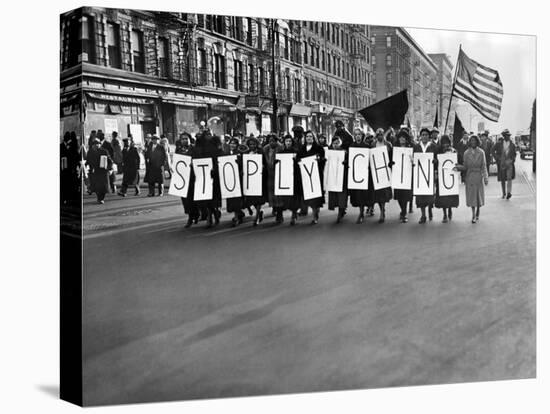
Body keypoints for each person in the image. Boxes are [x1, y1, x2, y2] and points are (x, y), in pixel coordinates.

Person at [455, 135, 489, 223]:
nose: (473, 142)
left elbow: (484, 166)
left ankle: (478, 212)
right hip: (469, 177)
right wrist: (457, 167)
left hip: (478, 176)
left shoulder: (481, 152)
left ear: (477, 142)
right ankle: (473, 215)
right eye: (471, 141)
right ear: (469, 142)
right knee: (472, 197)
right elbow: (465, 166)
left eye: (475, 141)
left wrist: (485, 177)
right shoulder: (466, 153)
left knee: (478, 197)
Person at [193, 130, 223, 227]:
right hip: (203, 175)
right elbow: (196, 158)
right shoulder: (199, 146)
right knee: (206, 199)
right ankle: (209, 217)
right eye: (207, 134)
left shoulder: (217, 144)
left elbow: (221, 158)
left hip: (214, 175)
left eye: (210, 134)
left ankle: (216, 213)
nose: (208, 136)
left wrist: (216, 167)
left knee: (215, 198)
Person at [297, 130, 326, 225]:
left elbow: (323, 160)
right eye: (307, 136)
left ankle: (315, 215)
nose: (309, 138)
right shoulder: (301, 149)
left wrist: (320, 160)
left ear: (314, 138)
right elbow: (298, 160)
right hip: (306, 176)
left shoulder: (319, 148)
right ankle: (313, 211)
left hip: (316, 175)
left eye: (310, 136)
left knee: (316, 196)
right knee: (308, 195)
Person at [413, 127, 438, 223]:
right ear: (420, 136)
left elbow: (437, 159)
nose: (424, 136)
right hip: (419, 175)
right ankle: (423, 215)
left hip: (430, 174)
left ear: (429, 136)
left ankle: (430, 209)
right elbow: (413, 158)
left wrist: (435, 163)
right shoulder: (416, 147)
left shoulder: (434, 147)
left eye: (426, 135)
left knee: (429, 195)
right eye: (423, 135)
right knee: (420, 196)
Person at [348, 128, 373, 224]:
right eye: (356, 134)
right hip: (356, 175)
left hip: (365, 175)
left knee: (365, 194)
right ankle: (361, 212)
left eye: (359, 134)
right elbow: (349, 159)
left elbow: (370, 160)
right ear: (354, 136)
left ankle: (366, 210)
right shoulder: (352, 146)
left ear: (362, 136)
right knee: (358, 195)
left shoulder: (367, 146)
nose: (358, 136)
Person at [174, 133, 198, 227]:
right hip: (183, 178)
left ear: (189, 139)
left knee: (193, 199)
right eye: (182, 139)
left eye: (186, 138)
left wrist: (193, 163)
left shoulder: (194, 149)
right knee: (185, 199)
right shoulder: (179, 150)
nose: (184, 140)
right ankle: (190, 216)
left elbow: (199, 160)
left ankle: (195, 215)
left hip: (193, 177)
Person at [370, 128, 393, 223]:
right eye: (378, 135)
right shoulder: (373, 145)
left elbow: (392, 157)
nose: (380, 136)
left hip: (385, 171)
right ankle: (381, 209)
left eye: (381, 134)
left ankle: (383, 210)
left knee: (384, 192)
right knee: (378, 193)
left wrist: (391, 164)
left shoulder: (388, 145)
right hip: (376, 172)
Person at [435, 135, 459, 223]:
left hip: (450, 176)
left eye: (447, 143)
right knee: (443, 197)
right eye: (443, 143)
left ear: (449, 143)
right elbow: (434, 162)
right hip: (441, 177)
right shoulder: (438, 151)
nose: (445, 145)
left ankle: (449, 209)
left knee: (450, 195)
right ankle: (444, 214)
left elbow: (458, 160)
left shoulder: (453, 150)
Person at [277, 135, 301, 225]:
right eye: (287, 141)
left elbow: (300, 163)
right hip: (285, 178)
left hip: (294, 177)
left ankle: (294, 214)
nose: (288, 143)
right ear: (284, 142)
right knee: (287, 198)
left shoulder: (296, 152)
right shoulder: (281, 153)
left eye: (290, 141)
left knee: (294, 197)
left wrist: (296, 159)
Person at [243, 137, 266, 226]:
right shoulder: (246, 153)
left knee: (259, 200)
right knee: (252, 200)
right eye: (250, 144)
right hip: (250, 180)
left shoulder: (261, 152)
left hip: (259, 179)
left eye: (253, 144)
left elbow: (265, 162)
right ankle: (259, 212)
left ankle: (256, 218)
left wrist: (263, 167)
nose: (252, 146)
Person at [393, 129, 414, 223]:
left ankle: (404, 213)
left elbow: (414, 160)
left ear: (406, 139)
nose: (402, 139)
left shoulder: (411, 148)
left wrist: (412, 161)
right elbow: (390, 160)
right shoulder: (395, 149)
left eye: (404, 138)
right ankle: (402, 209)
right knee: (399, 195)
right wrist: (391, 163)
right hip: (397, 175)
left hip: (407, 175)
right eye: (400, 137)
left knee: (405, 195)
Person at [224, 138, 245, 226]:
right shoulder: (226, 154)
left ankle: (237, 217)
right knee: (231, 198)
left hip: (238, 179)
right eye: (231, 143)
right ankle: (238, 213)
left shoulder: (240, 154)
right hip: (229, 179)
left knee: (237, 199)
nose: (232, 145)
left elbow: (243, 165)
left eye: (234, 144)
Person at [263, 133, 284, 222]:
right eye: (269, 141)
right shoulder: (266, 149)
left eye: (273, 141)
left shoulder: (280, 149)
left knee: (279, 195)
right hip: (270, 175)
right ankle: (275, 207)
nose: (271, 142)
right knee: (272, 194)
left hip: (279, 175)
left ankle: (280, 214)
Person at [327, 135, 348, 223]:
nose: (336, 145)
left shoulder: (344, 152)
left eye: (337, 143)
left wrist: (345, 162)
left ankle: (341, 210)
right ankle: (341, 210)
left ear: (340, 143)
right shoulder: (329, 153)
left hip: (342, 177)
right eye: (334, 143)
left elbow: (348, 162)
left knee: (342, 195)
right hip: (333, 177)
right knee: (335, 195)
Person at [85, 138, 112, 204]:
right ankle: (99, 198)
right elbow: (87, 160)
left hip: (103, 171)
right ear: (92, 145)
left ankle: (101, 198)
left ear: (100, 144)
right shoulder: (90, 152)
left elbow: (109, 161)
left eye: (98, 144)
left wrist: (110, 168)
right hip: (94, 171)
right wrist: (85, 166)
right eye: (94, 144)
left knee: (103, 186)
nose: (96, 145)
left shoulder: (104, 151)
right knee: (97, 186)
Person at [492, 129, 517, 199]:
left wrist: (512, 160)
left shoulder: (512, 144)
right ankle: (504, 193)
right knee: (503, 179)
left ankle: (509, 192)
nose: (508, 137)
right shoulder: (499, 143)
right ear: (503, 136)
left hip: (509, 163)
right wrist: (497, 158)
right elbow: (492, 150)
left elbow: (514, 154)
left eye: (508, 135)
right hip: (502, 163)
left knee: (509, 178)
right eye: (506, 135)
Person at [60, 131, 80, 205]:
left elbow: (76, 156)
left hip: (71, 169)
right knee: (64, 184)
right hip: (64, 170)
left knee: (70, 184)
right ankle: (64, 198)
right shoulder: (61, 146)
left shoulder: (71, 146)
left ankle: (69, 198)